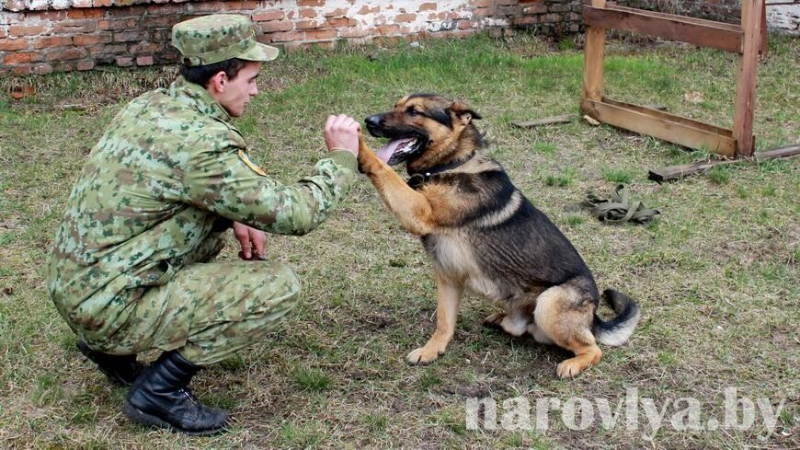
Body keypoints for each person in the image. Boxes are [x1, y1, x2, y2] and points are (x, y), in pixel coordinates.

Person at [45, 14, 361, 436]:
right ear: (218, 81)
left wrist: (229, 215)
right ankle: (158, 391)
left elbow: (184, 182)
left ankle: (109, 349)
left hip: (77, 286)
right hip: (107, 305)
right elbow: (297, 213)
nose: (255, 89)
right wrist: (341, 158)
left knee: (208, 233)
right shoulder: (203, 143)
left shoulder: (153, 105)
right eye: (250, 78)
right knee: (277, 287)